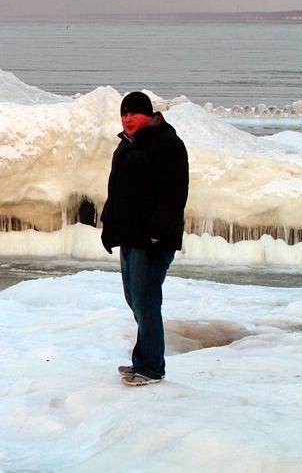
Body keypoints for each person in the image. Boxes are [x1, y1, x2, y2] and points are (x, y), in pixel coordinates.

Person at [100, 91, 189, 387]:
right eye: (124, 114)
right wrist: (109, 226)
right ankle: (145, 359)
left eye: (133, 114)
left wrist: (156, 233)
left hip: (152, 240)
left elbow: (174, 194)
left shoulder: (166, 144)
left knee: (146, 300)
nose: (127, 119)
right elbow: (118, 192)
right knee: (135, 299)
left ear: (148, 115)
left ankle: (151, 367)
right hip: (131, 237)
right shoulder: (127, 146)